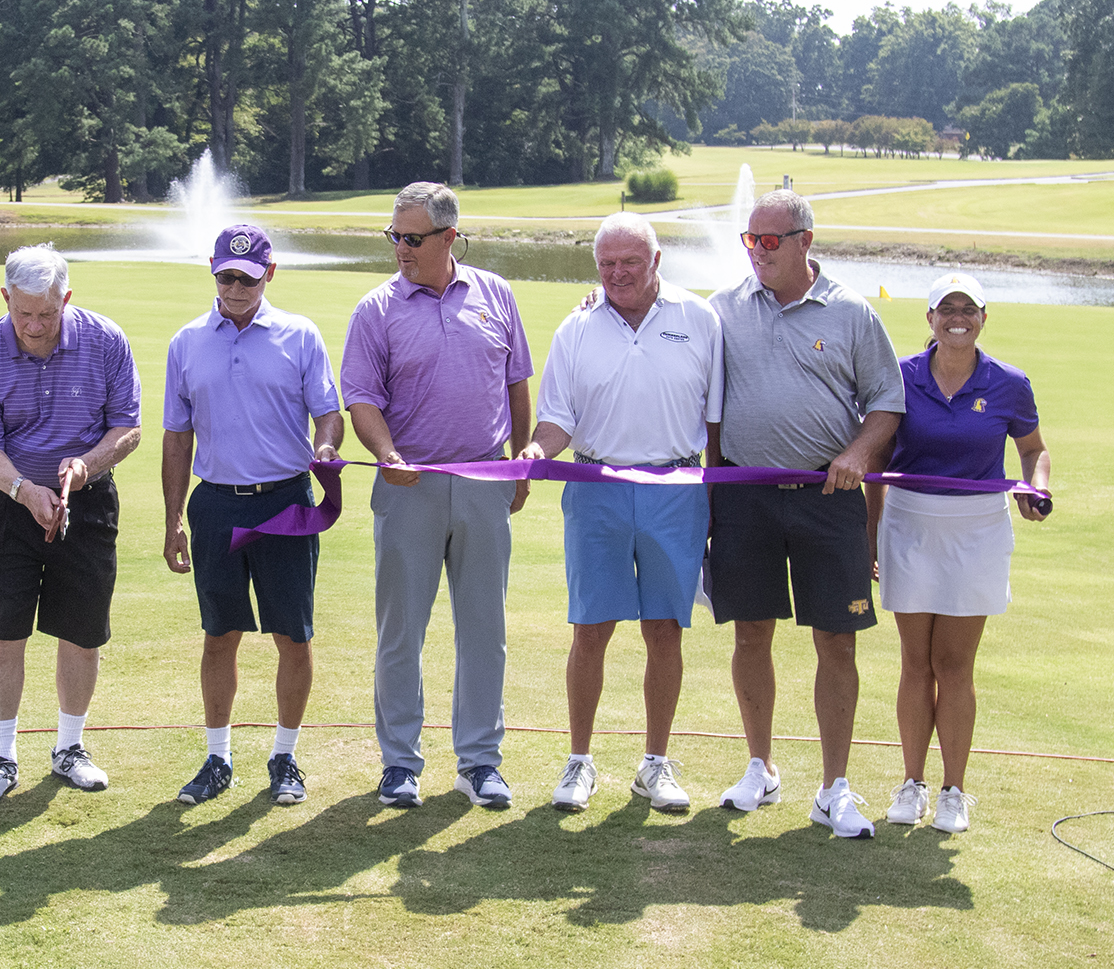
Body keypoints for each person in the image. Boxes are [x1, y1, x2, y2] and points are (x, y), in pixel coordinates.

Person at [708, 190, 903, 839]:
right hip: (745, 495)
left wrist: (858, 451)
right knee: (750, 632)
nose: (758, 252)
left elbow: (885, 404)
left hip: (828, 498)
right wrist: (596, 302)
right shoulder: (724, 309)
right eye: (750, 241)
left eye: (771, 241)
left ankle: (833, 788)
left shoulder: (851, 313)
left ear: (805, 242)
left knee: (836, 639)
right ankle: (760, 768)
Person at [517, 213, 722, 815]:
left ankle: (655, 763)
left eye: (630, 261)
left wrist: (718, 500)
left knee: (664, 627)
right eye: (606, 263)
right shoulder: (578, 325)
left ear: (657, 261)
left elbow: (715, 422)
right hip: (595, 485)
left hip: (676, 487)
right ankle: (579, 761)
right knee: (591, 628)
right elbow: (557, 417)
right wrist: (536, 448)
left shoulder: (699, 319)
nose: (617, 273)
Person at [341, 182, 535, 810]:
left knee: (484, 630)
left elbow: (516, 384)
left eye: (413, 237)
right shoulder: (376, 308)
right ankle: (400, 764)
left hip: (484, 485)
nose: (401, 247)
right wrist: (385, 452)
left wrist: (520, 465)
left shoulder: (495, 294)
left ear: (450, 236)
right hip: (408, 488)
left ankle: (479, 762)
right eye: (394, 235)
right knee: (401, 632)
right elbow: (362, 398)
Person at [162, 225, 344, 806]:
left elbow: (328, 412)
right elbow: (176, 437)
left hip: (285, 501)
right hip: (215, 503)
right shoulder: (187, 342)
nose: (236, 287)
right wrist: (172, 521)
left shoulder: (300, 335)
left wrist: (327, 445)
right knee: (221, 634)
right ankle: (218, 759)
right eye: (226, 276)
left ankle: (285, 757)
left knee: (293, 635)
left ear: (270, 274)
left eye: (248, 276)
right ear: (213, 272)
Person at [0, 244, 142, 802]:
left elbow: (128, 428)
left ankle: (69, 748)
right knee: (6, 630)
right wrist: (24, 490)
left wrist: (87, 466)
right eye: (23, 313)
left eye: (47, 313)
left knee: (81, 632)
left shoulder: (106, 340)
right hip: (6, 501)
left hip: (86, 503)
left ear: (67, 298)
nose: (35, 326)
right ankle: (2, 756)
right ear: (6, 298)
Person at [870, 273, 1050, 834]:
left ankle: (954, 790)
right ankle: (912, 783)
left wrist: (1036, 488)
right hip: (909, 524)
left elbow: (1033, 449)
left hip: (976, 530)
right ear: (929, 319)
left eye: (967, 309)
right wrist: (871, 532)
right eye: (945, 308)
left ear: (982, 318)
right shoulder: (899, 377)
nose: (957, 317)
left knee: (954, 665)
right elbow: (875, 460)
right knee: (915, 662)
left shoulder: (1009, 383)